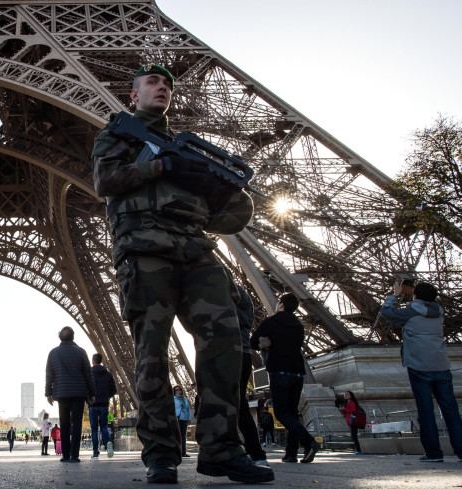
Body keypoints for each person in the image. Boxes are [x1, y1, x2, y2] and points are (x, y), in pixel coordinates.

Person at [92, 63, 273, 484]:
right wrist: (162, 167)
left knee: (227, 344)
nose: (163, 88)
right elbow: (105, 181)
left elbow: (230, 216)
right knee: (151, 353)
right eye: (152, 82)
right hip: (143, 249)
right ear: (132, 95)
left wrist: (209, 185)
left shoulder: (188, 149)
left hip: (195, 249)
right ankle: (161, 454)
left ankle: (222, 450)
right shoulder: (119, 133)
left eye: (168, 84)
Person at [380, 280, 462, 462]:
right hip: (441, 365)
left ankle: (433, 453)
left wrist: (395, 294)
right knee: (451, 411)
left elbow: (387, 312)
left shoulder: (410, 312)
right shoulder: (439, 312)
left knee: (425, 412)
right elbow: (425, 304)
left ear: (415, 295)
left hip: (418, 366)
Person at [251, 293, 321, 465]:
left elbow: (253, 342)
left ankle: (309, 441)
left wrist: (267, 342)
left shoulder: (272, 321)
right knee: (292, 413)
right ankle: (291, 453)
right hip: (297, 373)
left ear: (281, 305)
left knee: (282, 413)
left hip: (279, 372)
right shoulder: (298, 325)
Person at [45, 326, 95, 463]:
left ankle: (65, 455)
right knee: (77, 424)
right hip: (79, 393)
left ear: (60, 336)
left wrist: (48, 393)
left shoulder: (53, 353)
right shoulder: (81, 352)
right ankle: (74, 455)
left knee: (65, 424)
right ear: (73, 337)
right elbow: (88, 374)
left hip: (62, 393)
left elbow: (49, 374)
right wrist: (92, 393)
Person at [234, 284, 269, 466]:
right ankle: (254, 451)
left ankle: (250, 451)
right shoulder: (244, 296)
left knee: (234, 403)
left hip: (229, 353)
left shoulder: (224, 291)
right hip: (244, 353)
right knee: (239, 403)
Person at [88, 352, 117, 460]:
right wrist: (106, 397)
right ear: (101, 361)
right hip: (104, 404)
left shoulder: (89, 373)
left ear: (93, 361)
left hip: (93, 404)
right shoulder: (108, 374)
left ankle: (95, 452)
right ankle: (108, 442)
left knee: (94, 429)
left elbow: (86, 388)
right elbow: (114, 390)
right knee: (104, 427)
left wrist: (89, 398)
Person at [173, 385, 192, 458]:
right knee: (177, 436)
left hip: (184, 418)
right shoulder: (173, 399)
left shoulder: (184, 399)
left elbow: (188, 409)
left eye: (180, 389)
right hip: (177, 418)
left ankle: (183, 452)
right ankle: (177, 452)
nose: (178, 391)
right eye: (177, 390)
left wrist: (189, 418)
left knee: (183, 436)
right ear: (174, 391)